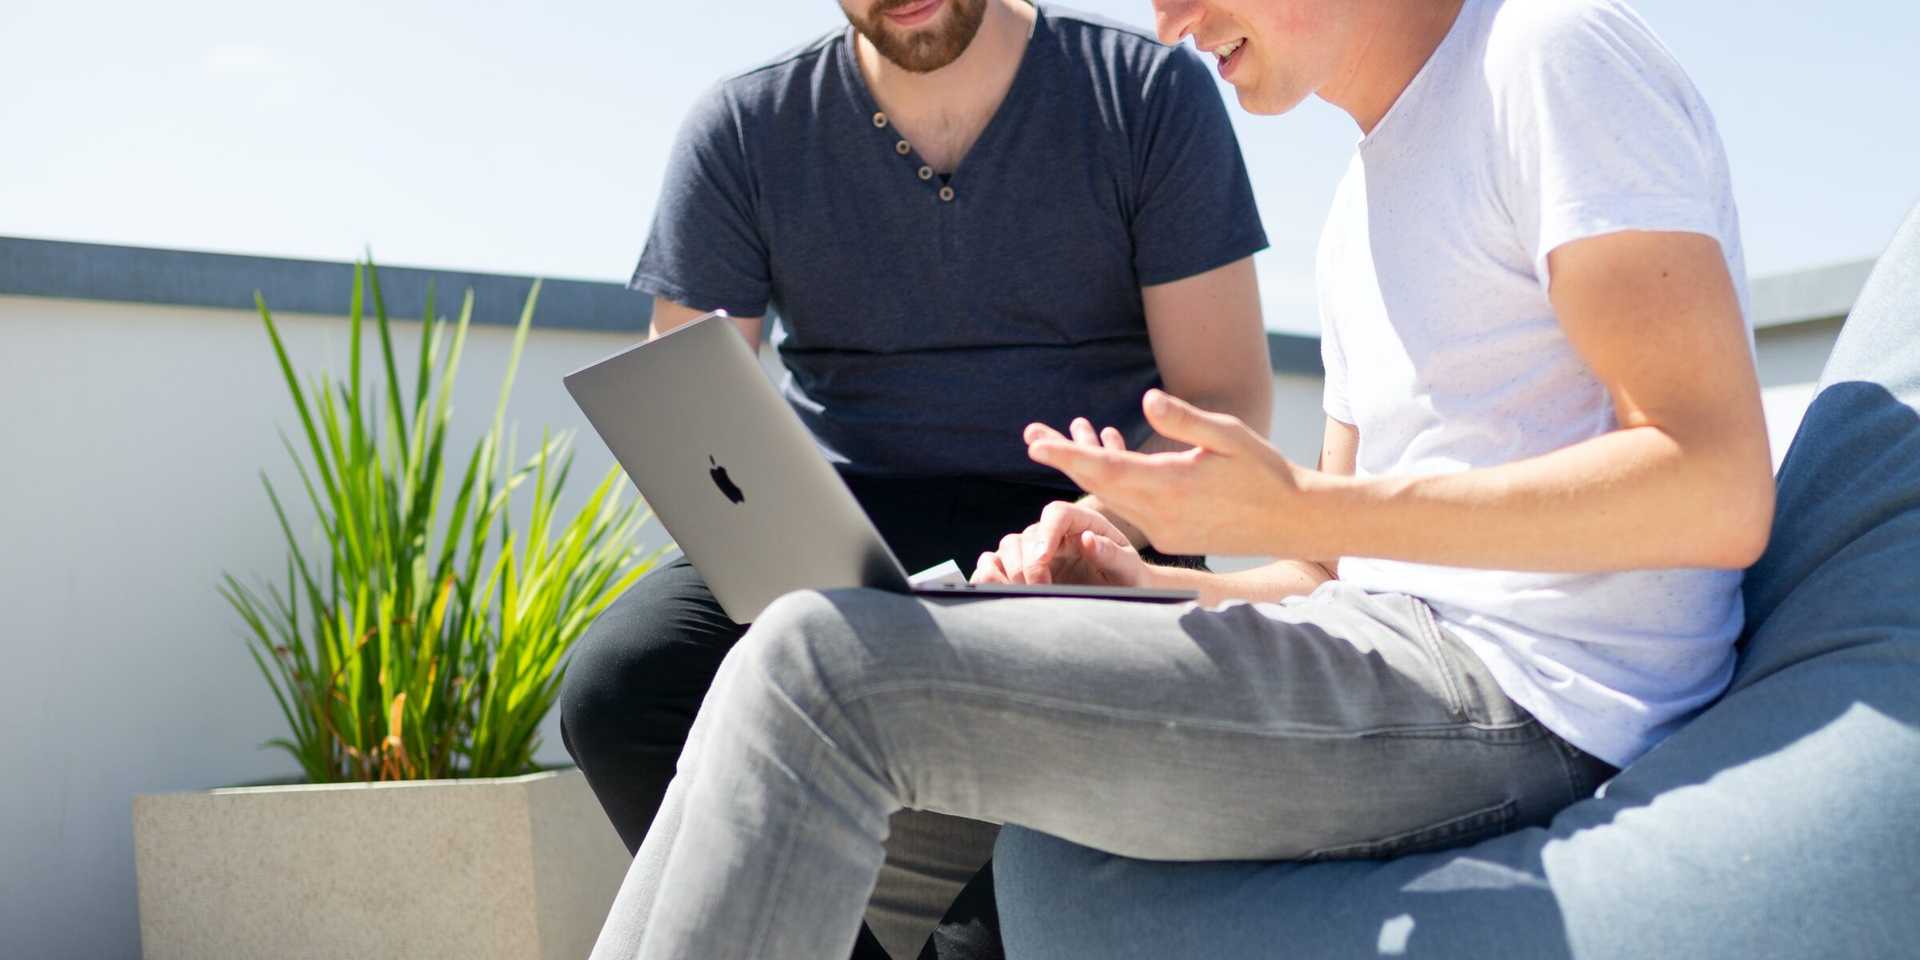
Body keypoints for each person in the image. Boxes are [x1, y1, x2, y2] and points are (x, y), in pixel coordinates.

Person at [588, 0, 1775, 955]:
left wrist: (1302, 507)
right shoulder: (1364, 202)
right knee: (774, 693)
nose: (1167, 24)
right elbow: (1330, 575)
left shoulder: (1548, 54)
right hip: (1398, 654)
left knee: (820, 674)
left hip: (1530, 706)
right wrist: (1145, 581)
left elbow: (1719, 489)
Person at [559, 0, 1273, 955]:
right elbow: (691, 423)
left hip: (1097, 522)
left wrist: (1099, 518)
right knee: (623, 683)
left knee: (995, 932)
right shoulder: (744, 127)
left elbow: (1222, 399)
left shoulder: (1146, 92)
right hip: (847, 527)